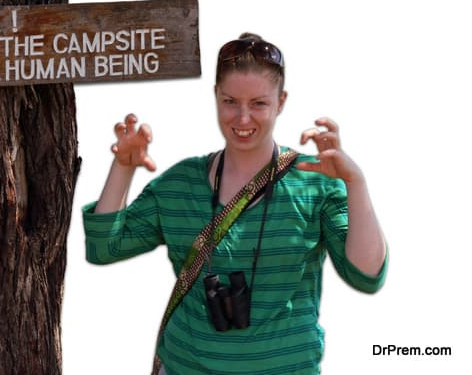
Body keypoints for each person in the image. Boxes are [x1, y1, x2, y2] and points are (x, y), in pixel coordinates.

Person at [82, 33, 388, 375]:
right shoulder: (180, 184)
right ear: (215, 96)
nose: (243, 119)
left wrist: (355, 182)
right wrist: (123, 166)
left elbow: (367, 275)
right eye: (230, 102)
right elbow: (104, 247)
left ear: (281, 101)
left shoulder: (314, 182)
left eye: (258, 103)